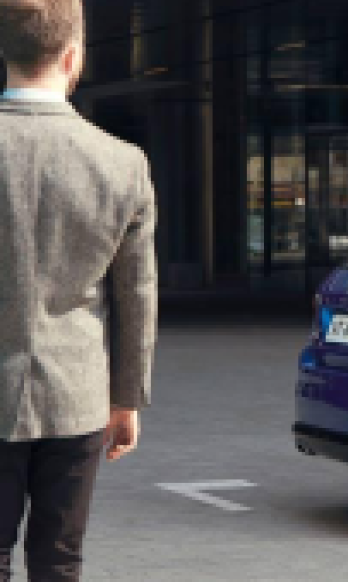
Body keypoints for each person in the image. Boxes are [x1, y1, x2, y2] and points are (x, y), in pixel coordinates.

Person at [0, 0, 157, 580]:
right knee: (60, 559)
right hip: (78, 394)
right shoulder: (122, 163)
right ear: (74, 57)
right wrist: (127, 399)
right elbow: (137, 296)